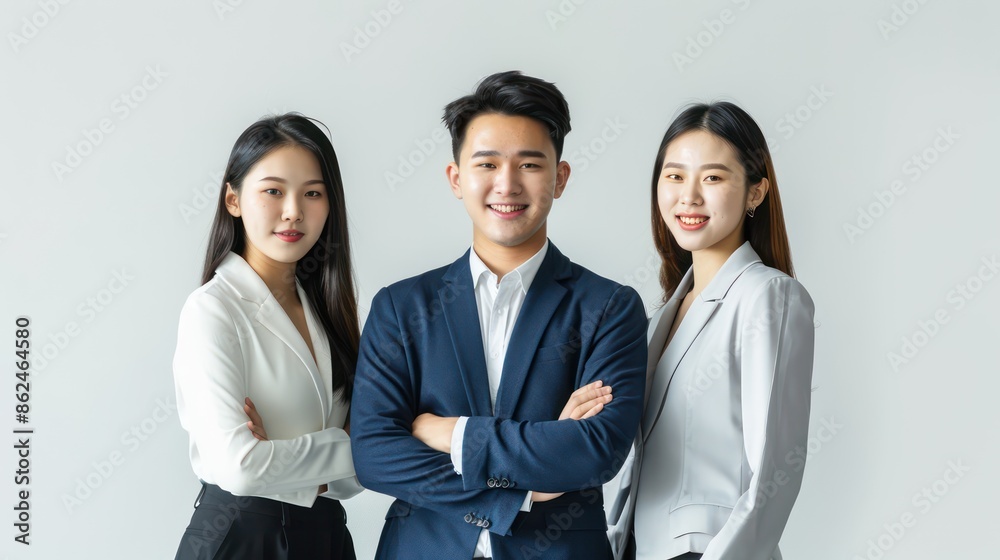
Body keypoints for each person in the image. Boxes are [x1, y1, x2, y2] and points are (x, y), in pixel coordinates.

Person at [350, 70, 648, 560]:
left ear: (560, 177)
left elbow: (595, 450)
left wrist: (448, 433)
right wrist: (520, 489)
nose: (506, 184)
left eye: (529, 164)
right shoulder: (402, 307)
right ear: (456, 178)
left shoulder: (608, 307)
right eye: (486, 163)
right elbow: (375, 456)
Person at [607, 101, 816, 560]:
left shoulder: (768, 296)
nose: (689, 197)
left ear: (756, 192)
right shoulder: (660, 318)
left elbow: (776, 470)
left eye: (713, 178)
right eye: (675, 175)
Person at [172, 113, 363, 559]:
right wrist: (352, 449)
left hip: (328, 538)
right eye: (273, 191)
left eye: (312, 193)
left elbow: (357, 480)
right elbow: (239, 469)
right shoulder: (213, 309)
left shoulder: (328, 310)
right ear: (233, 200)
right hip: (243, 538)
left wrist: (283, 459)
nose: (294, 210)